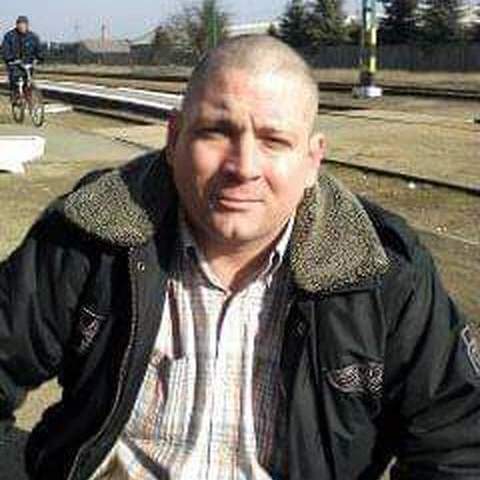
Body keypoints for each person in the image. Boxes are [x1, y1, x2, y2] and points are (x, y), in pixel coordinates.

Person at [0, 35, 479, 480]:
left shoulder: (382, 271)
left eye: (274, 140)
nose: (243, 167)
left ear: (312, 160)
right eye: (216, 131)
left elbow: (456, 444)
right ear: (174, 139)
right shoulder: (92, 233)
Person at [2, 16, 43, 96]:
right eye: (20, 24)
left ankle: (30, 98)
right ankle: (15, 96)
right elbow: (5, 51)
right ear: (16, 25)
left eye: (24, 24)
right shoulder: (9, 36)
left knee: (28, 83)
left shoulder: (33, 37)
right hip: (15, 65)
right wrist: (11, 59)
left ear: (27, 25)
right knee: (16, 83)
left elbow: (39, 50)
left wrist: (38, 58)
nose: (22, 26)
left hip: (28, 65)